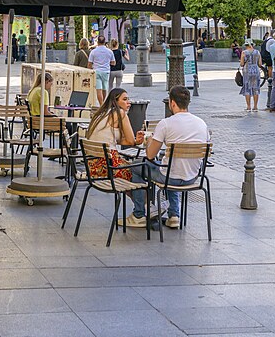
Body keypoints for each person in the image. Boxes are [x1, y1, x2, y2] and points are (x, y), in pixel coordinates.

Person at [123, 86, 209, 230]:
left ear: (172, 103)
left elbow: (150, 155)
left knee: (137, 166)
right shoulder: (202, 124)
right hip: (193, 177)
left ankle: (139, 214)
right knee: (171, 165)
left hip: (171, 177)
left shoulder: (166, 123)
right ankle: (174, 215)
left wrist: (149, 140)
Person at [88, 35, 115, 104]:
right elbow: (113, 63)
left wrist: (90, 69)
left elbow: (89, 64)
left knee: (98, 89)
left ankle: (101, 104)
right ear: (104, 42)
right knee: (104, 88)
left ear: (98, 42)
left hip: (96, 71)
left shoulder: (93, 51)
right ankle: (104, 102)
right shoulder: (109, 51)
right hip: (106, 71)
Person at [239, 39, 263, 111]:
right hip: (256, 71)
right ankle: (255, 107)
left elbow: (242, 64)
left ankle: (248, 107)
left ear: (246, 45)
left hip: (247, 72)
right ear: (252, 45)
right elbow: (260, 64)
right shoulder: (257, 52)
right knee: (255, 88)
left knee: (247, 88)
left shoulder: (244, 52)